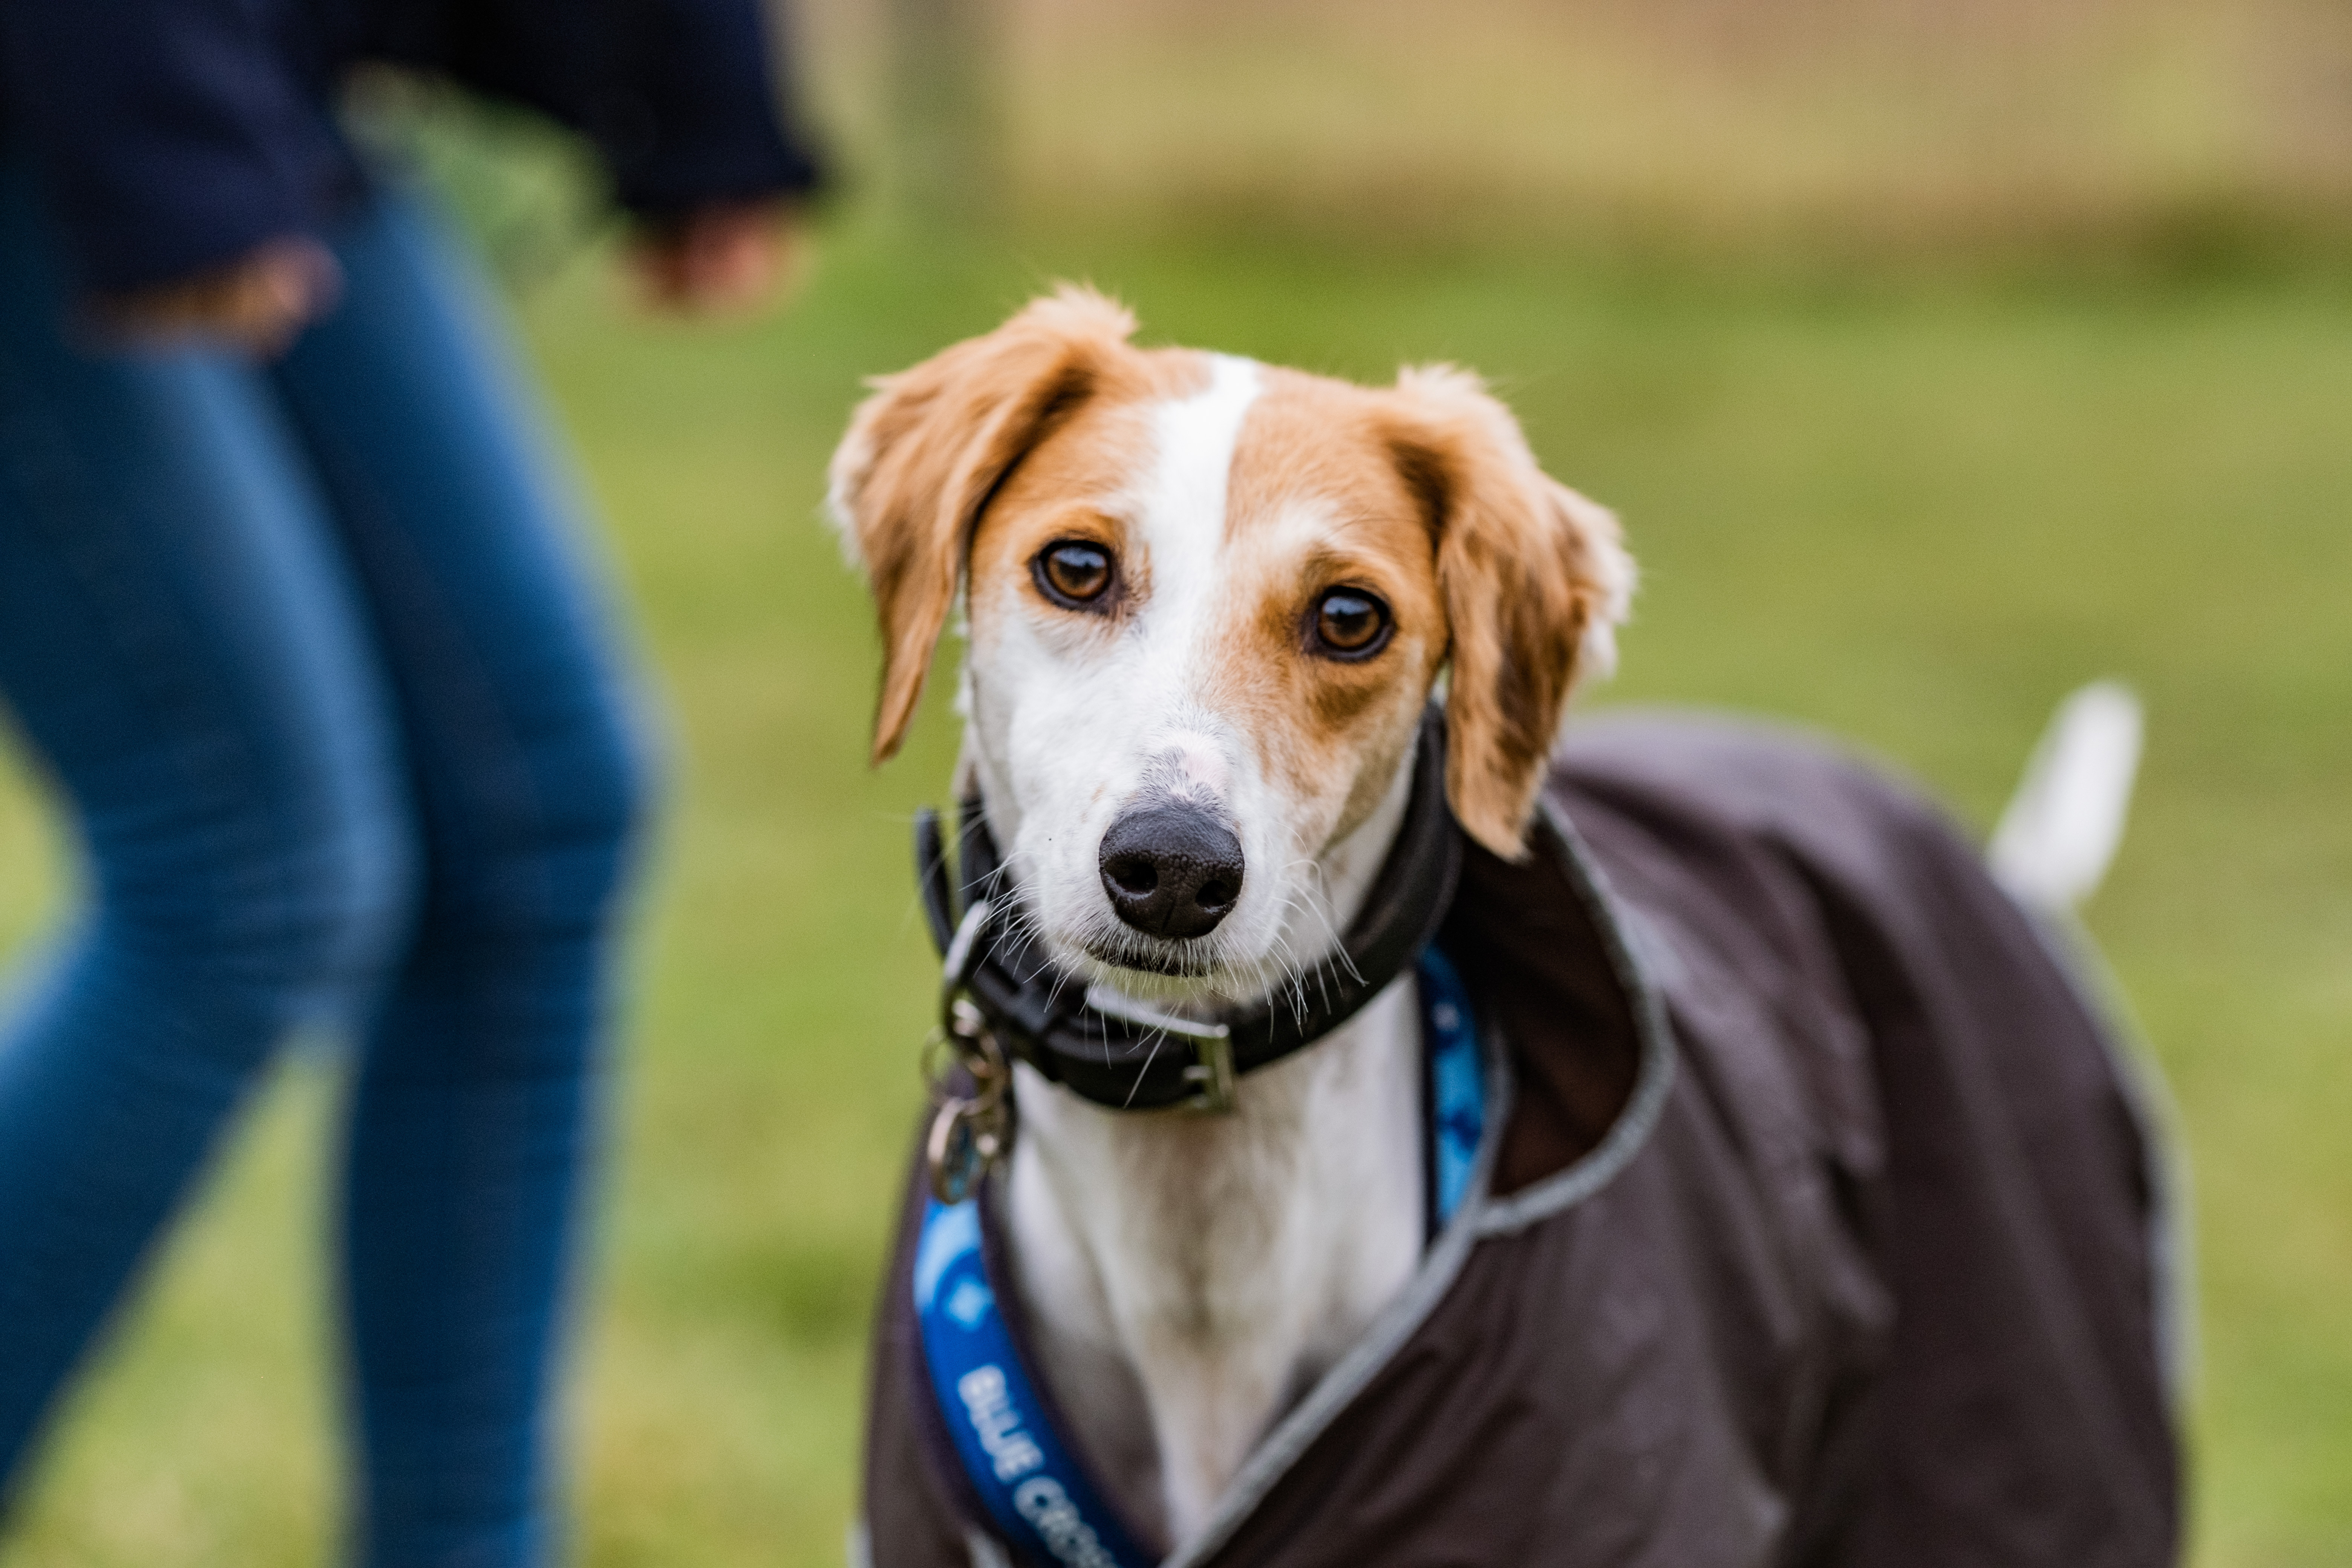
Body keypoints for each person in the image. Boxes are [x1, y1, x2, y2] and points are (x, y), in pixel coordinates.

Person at [0, 2, 820, 1561]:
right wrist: (162, 147)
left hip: (244, 73)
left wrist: (690, 75)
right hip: (96, 76)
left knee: (537, 807)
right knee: (246, 863)